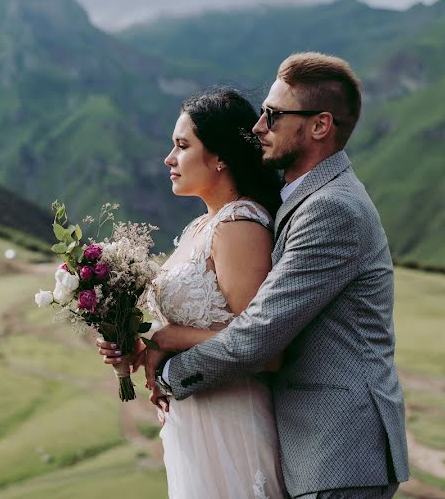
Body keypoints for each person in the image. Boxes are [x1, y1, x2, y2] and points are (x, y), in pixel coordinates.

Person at [132, 52, 410, 498]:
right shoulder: (300, 199)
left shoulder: (330, 208)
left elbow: (258, 336)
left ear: (319, 126)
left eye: (274, 115)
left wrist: (168, 363)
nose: (259, 127)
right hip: (314, 447)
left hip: (337, 447)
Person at [100, 87, 288, 498]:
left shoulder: (240, 225)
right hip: (192, 417)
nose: (169, 159)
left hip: (230, 419)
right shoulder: (198, 229)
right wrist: (135, 344)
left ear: (220, 157)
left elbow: (265, 349)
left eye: (182, 146)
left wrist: (169, 339)